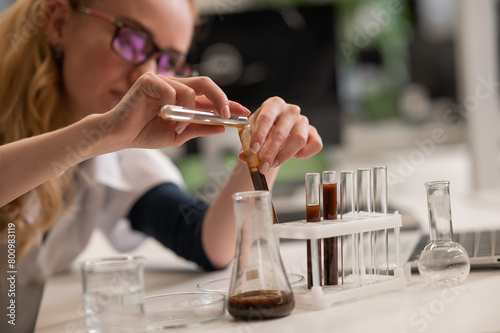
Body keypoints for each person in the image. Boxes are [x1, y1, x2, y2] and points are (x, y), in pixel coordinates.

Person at [0, 0, 323, 282]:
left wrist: (265, 147)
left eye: (168, 61)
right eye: (131, 40)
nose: (148, 75)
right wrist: (93, 137)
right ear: (58, 23)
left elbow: (208, 244)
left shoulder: (116, 155)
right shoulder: (104, 139)